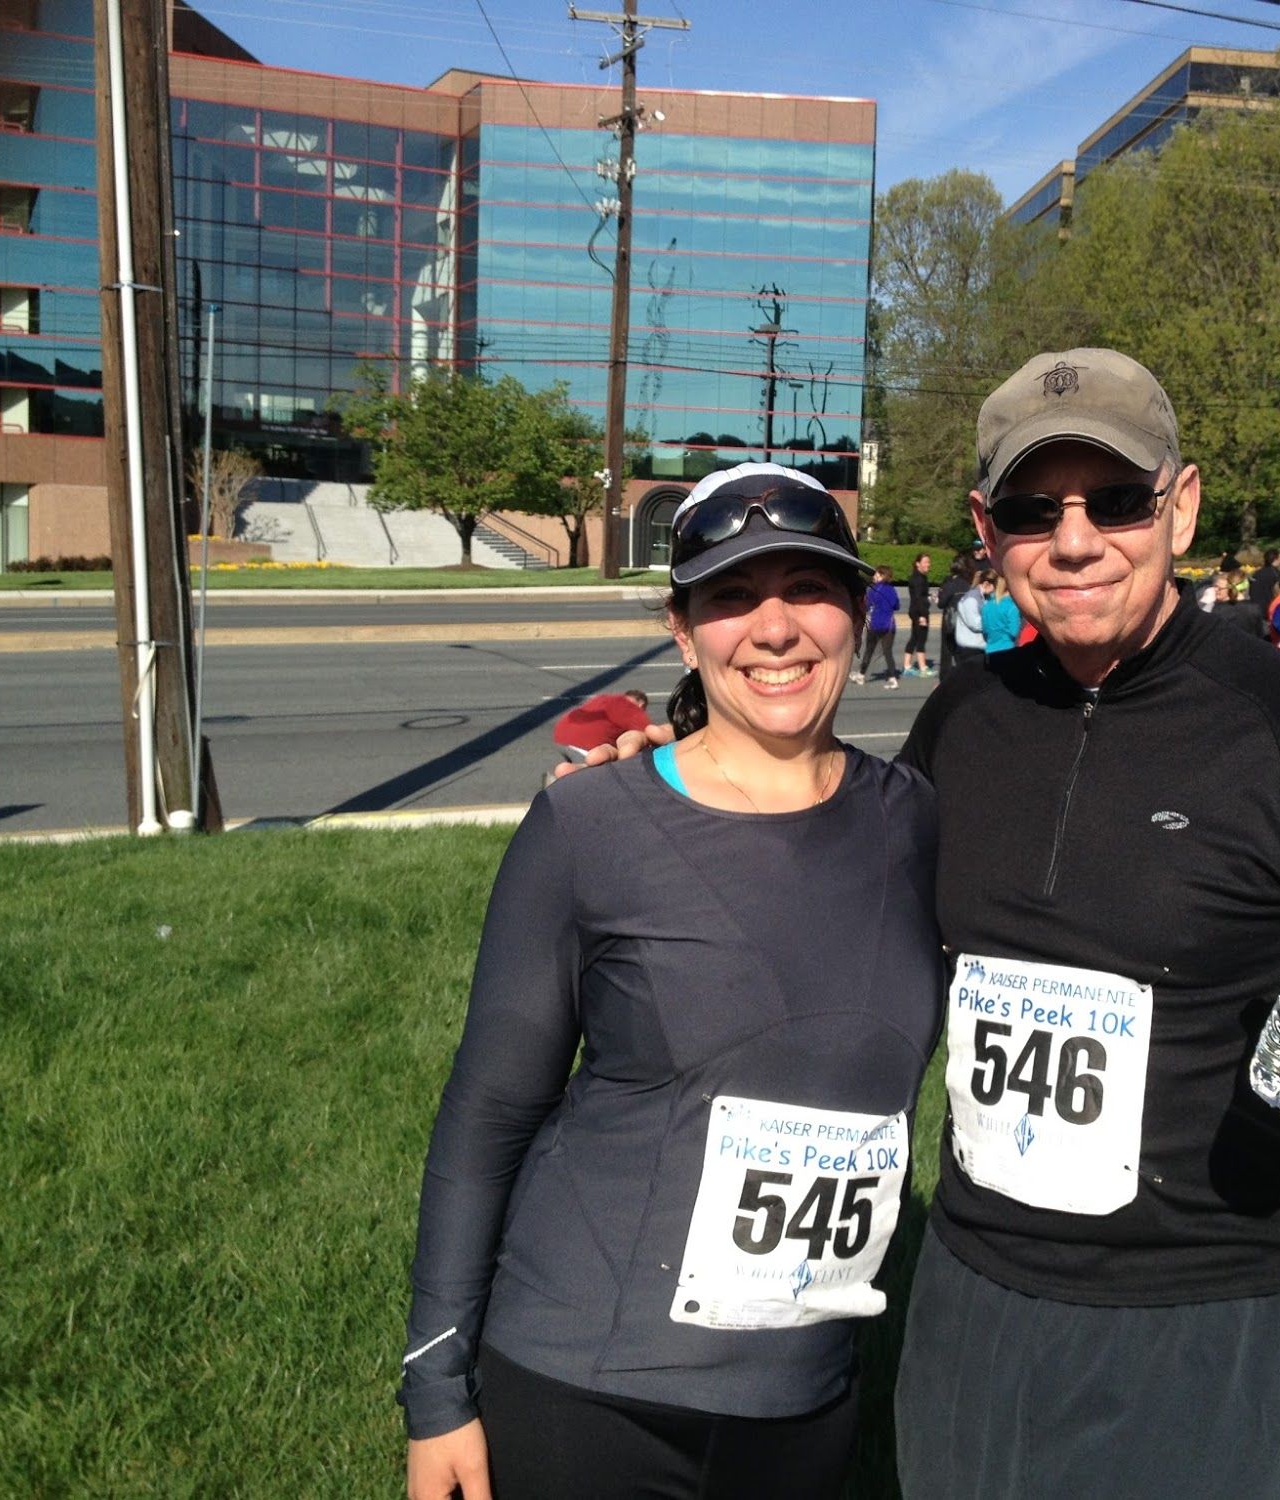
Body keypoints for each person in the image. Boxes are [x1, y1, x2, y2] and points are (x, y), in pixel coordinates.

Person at [892, 348, 1280, 1500]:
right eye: (1034, 510)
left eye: (1116, 501)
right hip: (971, 1297)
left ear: (1179, 506)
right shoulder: (960, 720)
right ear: (988, 532)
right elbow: (842, 908)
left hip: (1205, 1311)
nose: (1074, 542)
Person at [401, 463, 941, 1500]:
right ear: (683, 631)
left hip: (806, 1396)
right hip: (584, 1390)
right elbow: (488, 1114)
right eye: (731, 597)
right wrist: (436, 1396)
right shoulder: (588, 825)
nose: (774, 629)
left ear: (857, 604)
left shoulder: (914, 817)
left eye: (807, 589)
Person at [551, 689, 652, 758]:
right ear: (641, 704)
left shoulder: (603, 698)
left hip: (560, 735)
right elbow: (650, 734)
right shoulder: (633, 709)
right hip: (584, 746)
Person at [854, 565, 902, 687]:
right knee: (888, 652)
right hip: (889, 625)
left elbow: (867, 605)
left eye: (876, 574)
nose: (874, 576)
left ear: (882, 575)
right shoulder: (891, 590)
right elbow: (897, 606)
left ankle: (861, 675)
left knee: (869, 651)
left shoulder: (873, 590)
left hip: (875, 624)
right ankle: (892, 678)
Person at [935, 553, 975, 675]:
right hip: (966, 621)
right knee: (963, 652)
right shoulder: (970, 584)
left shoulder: (950, 583)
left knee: (947, 652)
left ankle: (945, 679)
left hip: (951, 622)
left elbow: (941, 603)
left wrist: (939, 597)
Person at [950, 567, 989, 673]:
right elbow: (975, 624)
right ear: (986, 584)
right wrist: (993, 621)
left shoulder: (981, 597)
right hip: (970, 647)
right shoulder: (972, 598)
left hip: (977, 646)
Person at [902, 553, 934, 677]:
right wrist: (922, 616)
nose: (928, 565)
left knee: (915, 638)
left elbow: (922, 596)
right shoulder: (918, 579)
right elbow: (918, 598)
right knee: (921, 638)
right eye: (925, 562)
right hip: (919, 612)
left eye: (929, 562)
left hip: (917, 611)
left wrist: (929, 597)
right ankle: (923, 667)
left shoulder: (921, 577)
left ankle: (907, 665)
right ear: (918, 564)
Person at [979, 570, 1022, 654]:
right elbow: (1015, 632)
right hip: (1008, 649)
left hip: (990, 650)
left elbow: (985, 631)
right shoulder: (1012, 607)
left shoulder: (986, 606)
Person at [1248, 546, 1280, 632]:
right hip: (1268, 610)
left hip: (1255, 608)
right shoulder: (1276, 574)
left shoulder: (1257, 574)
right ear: (1275, 559)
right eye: (1279, 558)